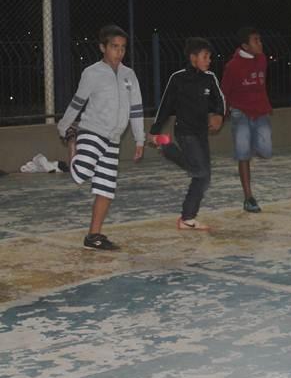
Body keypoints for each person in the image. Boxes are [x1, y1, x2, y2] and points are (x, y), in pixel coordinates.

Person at [57, 24, 145, 250]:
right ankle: (72, 141)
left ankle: (93, 236)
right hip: (92, 131)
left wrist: (140, 138)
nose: (119, 52)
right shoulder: (92, 73)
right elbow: (78, 101)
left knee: (105, 188)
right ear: (102, 48)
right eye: (114, 47)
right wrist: (65, 126)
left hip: (114, 138)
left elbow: (136, 108)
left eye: (123, 47)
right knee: (80, 173)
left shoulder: (129, 75)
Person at [148, 37, 226, 230]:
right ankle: (167, 148)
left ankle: (187, 218)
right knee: (200, 172)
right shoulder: (178, 78)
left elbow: (221, 101)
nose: (209, 60)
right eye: (205, 56)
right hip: (184, 132)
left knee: (203, 177)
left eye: (210, 57)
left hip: (201, 133)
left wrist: (219, 115)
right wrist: (154, 131)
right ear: (193, 57)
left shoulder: (210, 78)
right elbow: (165, 105)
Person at [220, 26, 272, 213]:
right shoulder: (232, 67)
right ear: (245, 46)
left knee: (266, 151)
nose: (260, 43)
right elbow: (224, 92)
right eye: (255, 40)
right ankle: (248, 197)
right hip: (239, 113)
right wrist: (221, 115)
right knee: (243, 155)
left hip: (260, 112)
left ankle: (250, 146)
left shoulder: (262, 60)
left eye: (260, 39)